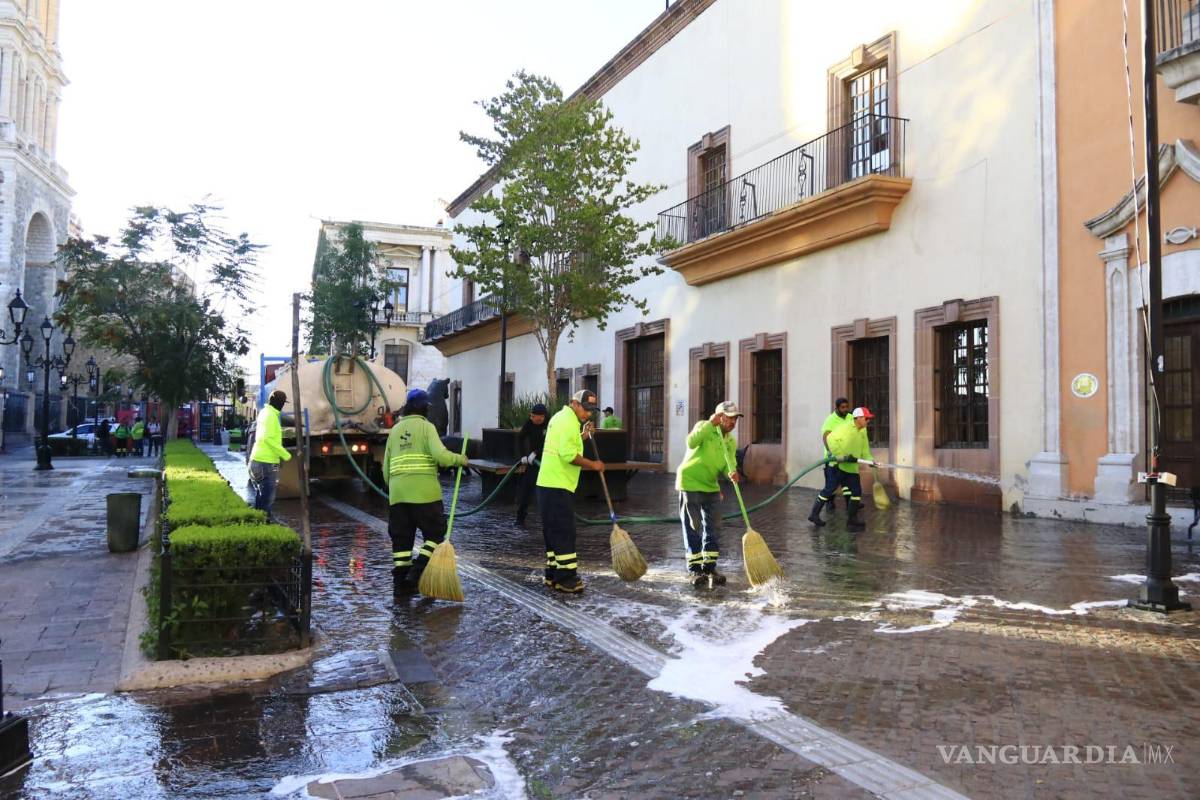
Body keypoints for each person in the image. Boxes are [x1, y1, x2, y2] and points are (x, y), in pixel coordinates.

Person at [383, 388, 469, 596]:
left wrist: (395, 487)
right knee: (435, 534)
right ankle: (416, 573)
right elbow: (441, 456)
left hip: (398, 496)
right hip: (425, 495)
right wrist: (460, 460)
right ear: (423, 408)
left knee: (402, 542)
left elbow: (386, 469)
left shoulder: (394, 430)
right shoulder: (426, 427)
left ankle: (400, 584)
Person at [537, 389, 604, 593]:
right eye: (586, 409)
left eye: (591, 410)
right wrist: (593, 465)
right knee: (565, 531)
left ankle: (553, 574)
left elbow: (566, 445)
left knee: (553, 531)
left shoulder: (562, 418)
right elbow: (568, 455)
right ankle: (567, 579)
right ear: (574, 403)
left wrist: (583, 435)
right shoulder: (567, 421)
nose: (588, 414)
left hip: (548, 484)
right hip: (558, 484)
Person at [677, 401, 741, 588]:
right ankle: (694, 569)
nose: (733, 422)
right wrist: (709, 424)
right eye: (730, 418)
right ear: (719, 417)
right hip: (690, 482)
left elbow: (729, 464)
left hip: (710, 485)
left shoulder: (730, 440)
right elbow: (691, 442)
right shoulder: (703, 427)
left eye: (735, 418)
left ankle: (709, 567)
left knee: (714, 526)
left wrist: (732, 474)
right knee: (693, 526)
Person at [809, 407, 876, 531]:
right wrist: (842, 456)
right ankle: (814, 514)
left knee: (856, 492)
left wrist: (870, 461)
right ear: (859, 418)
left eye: (869, 419)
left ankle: (852, 521)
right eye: (866, 419)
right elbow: (830, 439)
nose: (868, 421)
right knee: (829, 490)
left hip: (851, 468)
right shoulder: (845, 428)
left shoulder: (862, 431)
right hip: (838, 466)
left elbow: (865, 450)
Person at [248, 390, 292, 520]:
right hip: (266, 463)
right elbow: (267, 438)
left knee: (261, 495)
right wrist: (285, 455)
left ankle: (258, 521)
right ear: (280, 403)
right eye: (283, 403)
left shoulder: (265, 412)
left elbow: (268, 435)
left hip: (258, 460)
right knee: (267, 498)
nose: (283, 405)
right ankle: (264, 523)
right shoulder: (271, 416)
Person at [815, 397, 854, 518]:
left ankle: (850, 503)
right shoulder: (830, 420)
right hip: (832, 458)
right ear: (836, 408)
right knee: (831, 484)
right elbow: (826, 436)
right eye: (843, 407)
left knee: (847, 482)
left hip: (845, 456)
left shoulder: (850, 417)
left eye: (846, 407)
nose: (845, 409)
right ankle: (829, 503)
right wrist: (830, 452)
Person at [515, 403, 549, 525]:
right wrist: (523, 455)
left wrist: (536, 452)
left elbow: (549, 441)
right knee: (526, 488)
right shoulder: (529, 423)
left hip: (548, 461)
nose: (532, 419)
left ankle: (549, 519)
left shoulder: (550, 424)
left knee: (546, 491)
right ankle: (520, 518)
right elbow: (520, 438)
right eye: (531, 416)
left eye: (535, 417)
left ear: (542, 417)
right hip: (532, 461)